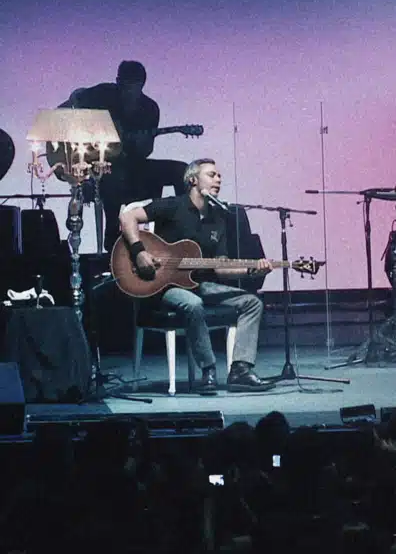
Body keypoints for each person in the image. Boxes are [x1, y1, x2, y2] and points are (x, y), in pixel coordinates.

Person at [118, 158, 276, 393]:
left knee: (251, 302)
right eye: (212, 175)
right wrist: (139, 252)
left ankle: (240, 370)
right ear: (192, 180)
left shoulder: (218, 218)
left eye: (219, 176)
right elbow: (127, 217)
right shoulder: (173, 206)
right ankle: (208, 370)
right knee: (193, 304)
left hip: (198, 284)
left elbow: (220, 268)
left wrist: (252, 269)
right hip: (163, 286)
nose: (218, 179)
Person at [59, 60, 189, 252]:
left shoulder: (150, 108)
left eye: (132, 86)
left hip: (133, 163)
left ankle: (184, 231)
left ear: (142, 85)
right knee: (114, 176)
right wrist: (89, 133)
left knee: (182, 170)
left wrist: (138, 143)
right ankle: (112, 238)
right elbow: (72, 100)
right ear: (117, 81)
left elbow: (145, 152)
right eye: (123, 84)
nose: (127, 91)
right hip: (99, 163)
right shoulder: (102, 93)